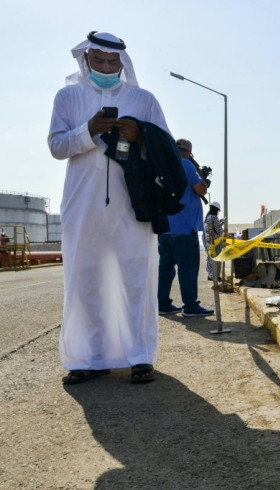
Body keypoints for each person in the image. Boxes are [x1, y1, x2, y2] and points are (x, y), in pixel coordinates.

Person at [48, 31, 167, 385]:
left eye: (112, 62)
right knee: (85, 279)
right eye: (98, 61)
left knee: (135, 278)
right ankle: (88, 358)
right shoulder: (68, 97)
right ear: (86, 60)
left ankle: (140, 357)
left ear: (122, 63)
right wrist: (87, 131)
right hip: (82, 204)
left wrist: (140, 135)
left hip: (133, 203)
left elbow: (164, 146)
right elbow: (56, 146)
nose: (105, 67)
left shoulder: (142, 99)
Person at [157, 139, 214, 317]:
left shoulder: (162, 164)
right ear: (187, 152)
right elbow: (201, 190)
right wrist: (202, 177)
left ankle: (162, 304)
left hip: (165, 228)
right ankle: (190, 305)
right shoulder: (186, 164)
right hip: (184, 227)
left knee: (165, 268)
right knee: (187, 269)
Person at [202, 201, 223, 281]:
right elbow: (219, 231)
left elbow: (212, 228)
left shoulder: (208, 217)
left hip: (207, 241)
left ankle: (211, 275)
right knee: (216, 258)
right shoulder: (214, 217)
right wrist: (222, 224)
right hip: (214, 242)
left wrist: (219, 223)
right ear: (216, 209)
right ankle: (215, 276)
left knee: (210, 257)